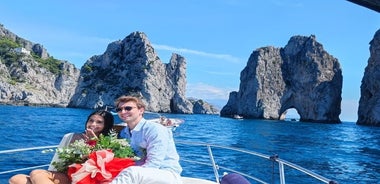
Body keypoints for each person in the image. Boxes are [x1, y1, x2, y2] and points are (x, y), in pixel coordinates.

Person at [9, 110, 115, 184]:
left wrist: (94, 142)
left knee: (36, 173)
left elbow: (104, 166)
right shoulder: (72, 136)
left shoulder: (108, 142)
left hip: (85, 178)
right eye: (91, 120)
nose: (93, 124)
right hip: (65, 174)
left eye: (99, 122)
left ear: (106, 125)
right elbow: (59, 158)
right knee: (15, 179)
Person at [111, 95, 182, 184]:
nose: (123, 112)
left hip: (165, 173)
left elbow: (154, 163)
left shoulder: (154, 129)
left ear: (141, 110)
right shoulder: (124, 133)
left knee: (132, 172)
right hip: (140, 174)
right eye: (119, 109)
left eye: (128, 108)